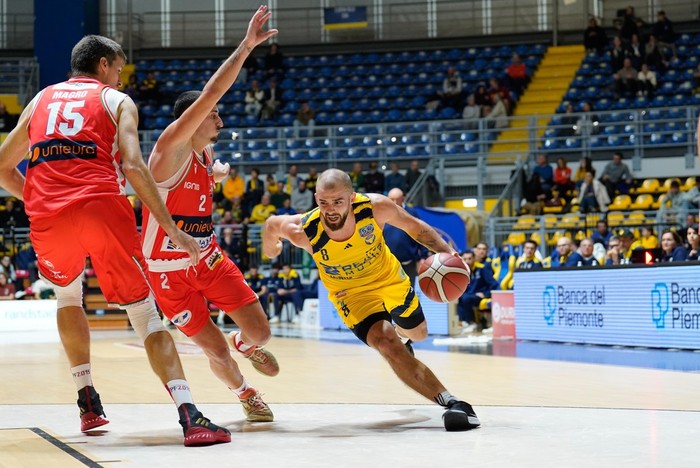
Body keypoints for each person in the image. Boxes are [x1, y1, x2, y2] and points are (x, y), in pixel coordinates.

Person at [0, 34, 230, 445]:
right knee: (143, 313)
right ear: (103, 65)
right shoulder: (116, 101)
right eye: (119, 70)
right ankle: (190, 416)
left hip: (48, 217)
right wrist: (172, 228)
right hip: (102, 206)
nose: (121, 79)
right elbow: (135, 166)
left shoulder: (40, 100)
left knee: (68, 298)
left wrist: (41, 198)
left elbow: (2, 166)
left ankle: (87, 401)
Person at [140, 6, 278, 424]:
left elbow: (205, 174)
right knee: (212, 349)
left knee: (261, 333)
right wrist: (247, 46)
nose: (219, 115)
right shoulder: (168, 148)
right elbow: (209, 95)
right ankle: (244, 391)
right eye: (213, 113)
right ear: (193, 119)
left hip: (207, 257)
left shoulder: (205, 150)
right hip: (167, 270)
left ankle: (243, 343)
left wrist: (216, 172)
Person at [262, 168, 480, 431]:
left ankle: (405, 338)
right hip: (352, 296)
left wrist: (450, 253)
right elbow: (271, 224)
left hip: (389, 280)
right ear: (316, 197)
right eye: (323, 202)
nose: (330, 209)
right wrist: (270, 247)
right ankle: (453, 403)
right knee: (386, 343)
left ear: (352, 197)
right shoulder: (304, 230)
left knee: (419, 334)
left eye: (338, 201)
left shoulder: (375, 207)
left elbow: (416, 228)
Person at [384, 188, 429, 287]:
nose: (395, 202)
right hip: (389, 265)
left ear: (403, 198)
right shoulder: (382, 213)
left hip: (409, 263)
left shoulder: (412, 213)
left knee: (409, 292)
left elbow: (421, 234)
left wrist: (423, 257)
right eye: (392, 199)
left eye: (397, 199)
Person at [457, 250, 498, 332]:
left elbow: (494, 284)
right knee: (459, 297)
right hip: (468, 295)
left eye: (469, 259)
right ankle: (464, 321)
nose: (467, 261)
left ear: (474, 258)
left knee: (465, 298)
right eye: (465, 259)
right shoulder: (462, 271)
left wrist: (485, 294)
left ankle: (471, 322)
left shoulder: (482, 269)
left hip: (479, 296)